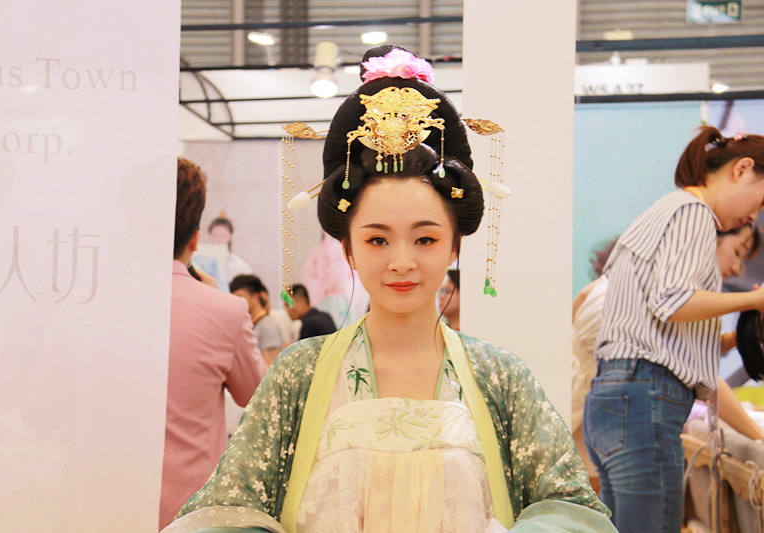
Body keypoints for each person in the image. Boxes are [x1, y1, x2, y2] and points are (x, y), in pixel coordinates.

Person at [163, 45, 614, 533]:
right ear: (349, 250)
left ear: (455, 247)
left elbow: (571, 508)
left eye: (425, 239)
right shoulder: (299, 373)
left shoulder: (500, 376)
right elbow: (229, 510)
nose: (402, 261)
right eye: (377, 239)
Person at [583, 127, 764, 533]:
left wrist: (736, 337)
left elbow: (661, 328)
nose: (754, 216)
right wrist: (753, 300)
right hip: (644, 397)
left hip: (620, 395)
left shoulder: (668, 210)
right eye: (762, 200)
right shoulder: (692, 212)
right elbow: (673, 302)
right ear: (742, 169)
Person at [573, 226, 763, 491]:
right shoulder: (660, 298)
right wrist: (758, 437)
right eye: (738, 252)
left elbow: (688, 351)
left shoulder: (621, 282)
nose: (738, 268)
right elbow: (700, 371)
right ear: (709, 241)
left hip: (588, 408)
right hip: (604, 420)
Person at [160, 158, 268, 530]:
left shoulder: (89, 305)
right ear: (195, 239)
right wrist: (217, 297)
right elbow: (257, 395)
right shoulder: (226, 311)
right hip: (190, 515)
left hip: (91, 504)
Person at [230, 274, 283, 365]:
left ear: (255, 296)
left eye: (240, 297)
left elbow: (270, 367)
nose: (236, 302)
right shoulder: (252, 324)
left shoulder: (267, 325)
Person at [209, 216, 254, 284]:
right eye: (215, 235)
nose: (219, 240)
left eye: (224, 235)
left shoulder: (239, 265)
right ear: (210, 236)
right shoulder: (204, 260)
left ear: (230, 236)